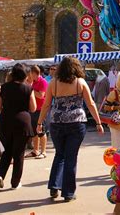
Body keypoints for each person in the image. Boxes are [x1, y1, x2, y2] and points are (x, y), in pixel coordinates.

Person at [36, 56, 104, 202]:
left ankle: (54, 186)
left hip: (56, 123)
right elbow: (90, 103)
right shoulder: (80, 82)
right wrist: (98, 122)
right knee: (71, 158)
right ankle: (68, 193)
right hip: (76, 123)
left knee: (59, 154)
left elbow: (46, 105)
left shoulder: (53, 83)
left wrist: (40, 122)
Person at [0, 64, 37, 190]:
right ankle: (15, 182)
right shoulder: (28, 89)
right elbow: (33, 108)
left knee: (6, 151)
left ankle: (1, 175)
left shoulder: (4, 87)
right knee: (19, 153)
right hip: (22, 122)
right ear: (25, 75)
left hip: (6, 121)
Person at [25, 65, 48, 159]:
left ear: (35, 73)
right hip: (33, 109)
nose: (30, 76)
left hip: (41, 109)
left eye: (31, 74)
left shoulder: (43, 82)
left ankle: (43, 151)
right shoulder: (33, 82)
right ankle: (35, 150)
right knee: (34, 131)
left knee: (41, 131)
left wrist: (31, 89)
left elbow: (41, 95)